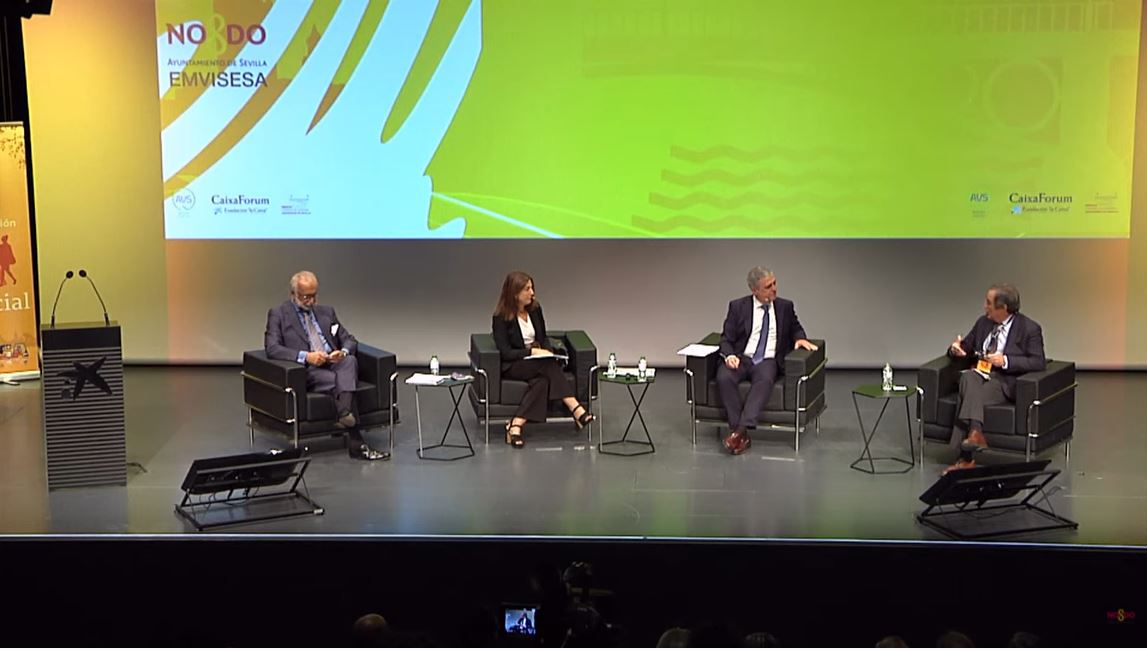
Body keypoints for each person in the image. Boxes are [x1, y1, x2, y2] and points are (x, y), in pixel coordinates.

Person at [264, 271, 387, 460]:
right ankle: (357, 442)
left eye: (314, 296)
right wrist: (306, 357)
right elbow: (272, 348)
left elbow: (349, 339)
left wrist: (342, 352)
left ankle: (344, 413)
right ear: (293, 294)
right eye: (306, 297)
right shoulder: (279, 314)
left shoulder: (326, 312)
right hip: (308, 370)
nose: (311, 301)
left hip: (332, 362)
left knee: (350, 361)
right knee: (342, 382)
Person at [944, 283, 1045, 473]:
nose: (985, 306)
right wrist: (955, 349)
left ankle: (964, 459)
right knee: (969, 379)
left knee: (966, 390)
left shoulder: (1029, 328)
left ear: (1003, 307)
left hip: (1003, 381)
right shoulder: (983, 323)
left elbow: (1038, 362)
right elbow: (965, 346)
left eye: (989, 303)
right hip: (978, 375)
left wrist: (1005, 360)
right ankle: (975, 434)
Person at [717, 266, 818, 455]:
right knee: (724, 377)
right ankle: (740, 434)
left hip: (767, 360)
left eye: (774, 283)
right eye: (768, 286)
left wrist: (800, 338)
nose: (774, 289)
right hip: (742, 358)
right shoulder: (738, 307)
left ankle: (739, 432)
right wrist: (730, 356)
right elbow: (726, 338)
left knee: (764, 379)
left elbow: (795, 327)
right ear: (754, 290)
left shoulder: (784, 307)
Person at [491, 271, 594, 448]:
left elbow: (543, 337)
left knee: (542, 382)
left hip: (538, 362)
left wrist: (546, 350)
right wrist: (531, 352)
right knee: (547, 364)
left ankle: (515, 425)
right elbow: (506, 353)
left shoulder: (535, 310)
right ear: (515, 293)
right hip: (514, 365)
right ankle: (576, 409)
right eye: (527, 289)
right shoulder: (500, 318)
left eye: (532, 288)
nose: (532, 293)